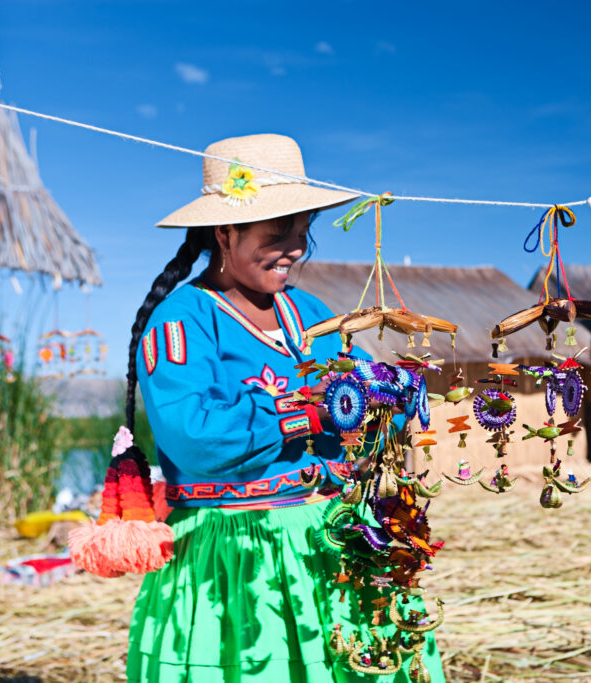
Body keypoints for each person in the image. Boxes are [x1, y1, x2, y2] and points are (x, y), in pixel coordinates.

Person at [112, 134, 445, 682]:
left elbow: (355, 387)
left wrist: (390, 394)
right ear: (225, 232)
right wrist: (302, 414)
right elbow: (192, 434)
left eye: (301, 233)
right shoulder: (183, 320)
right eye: (277, 235)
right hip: (240, 550)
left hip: (335, 536)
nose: (294, 249)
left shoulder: (308, 310)